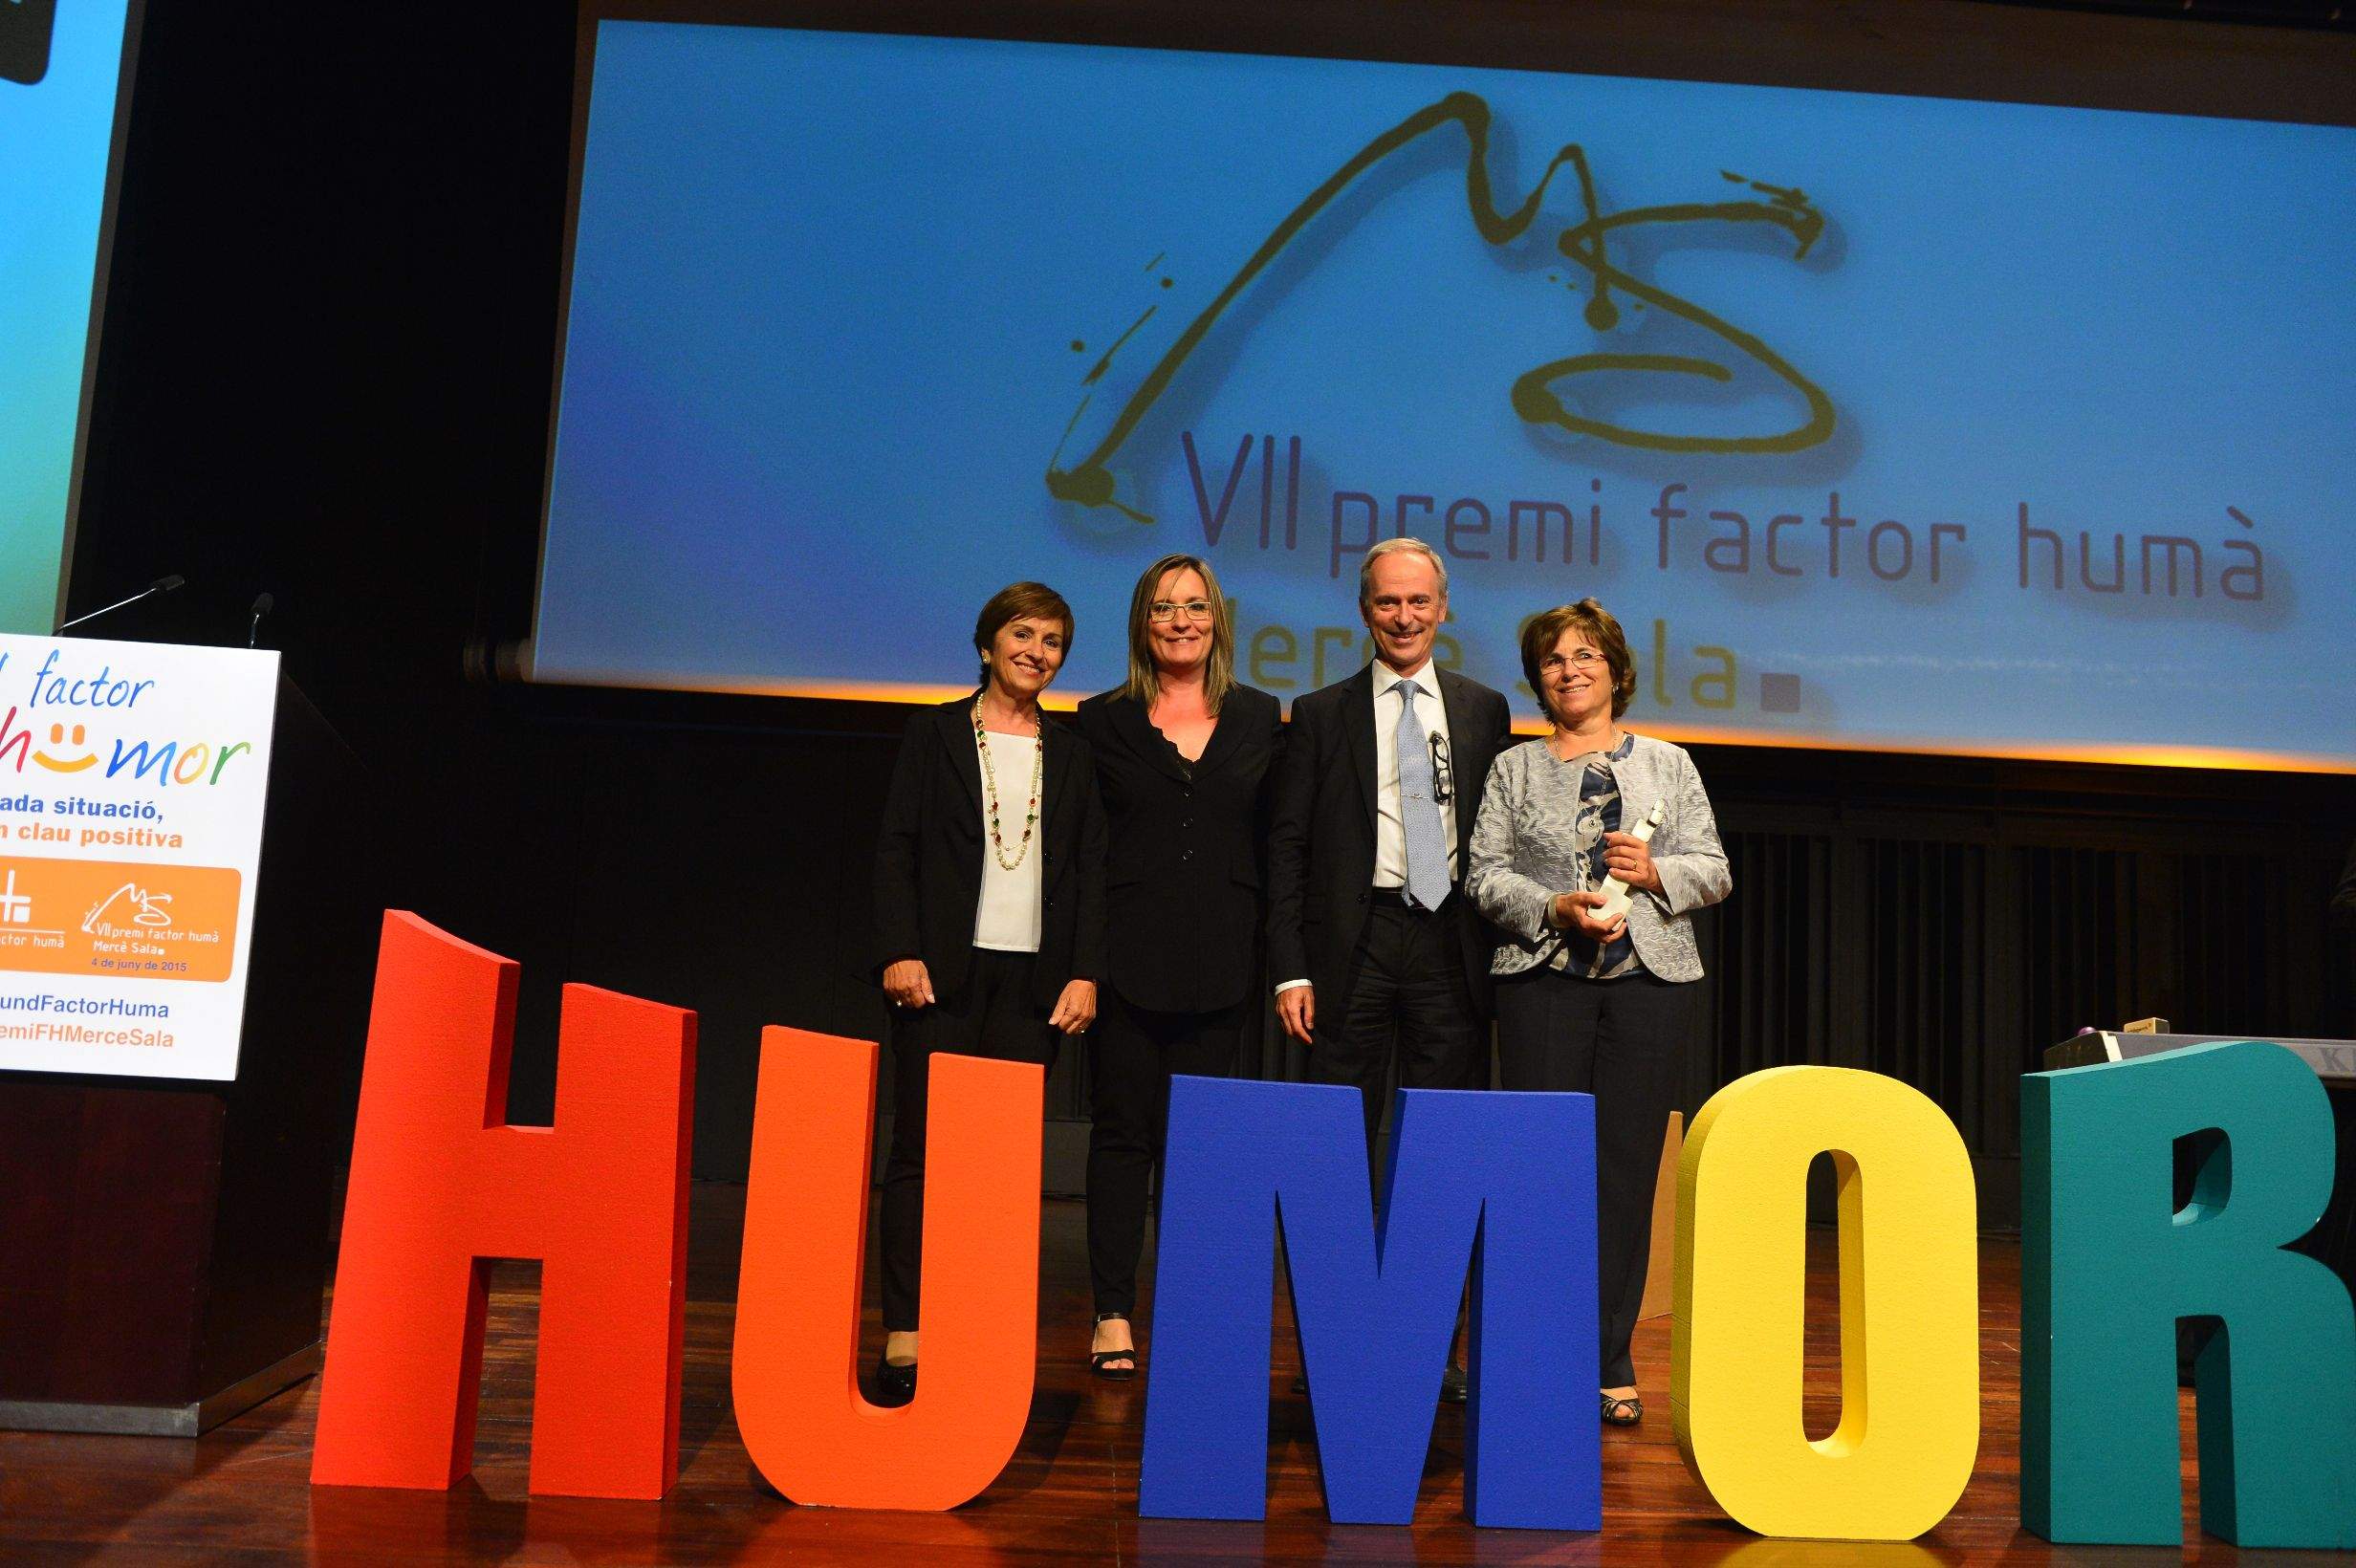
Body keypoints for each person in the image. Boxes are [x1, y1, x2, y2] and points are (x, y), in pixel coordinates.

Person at [1466, 598, 1729, 1428]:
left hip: (1649, 987)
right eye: (1552, 660)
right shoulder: (1513, 769)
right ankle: (1528, 1346)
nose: (1570, 670)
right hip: (1543, 984)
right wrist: (1553, 907)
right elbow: (1484, 876)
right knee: (1539, 1172)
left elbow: (1714, 870)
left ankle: (1610, 1354)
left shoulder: (1670, 763)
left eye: (1585, 656)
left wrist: (1654, 875)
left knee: (1623, 1175)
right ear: (1537, 679)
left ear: (1616, 669)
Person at [1266, 538, 1511, 1400]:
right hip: (1352, 945)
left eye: (1418, 602)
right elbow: (1288, 846)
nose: (1403, 618)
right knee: (1337, 1143)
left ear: (1444, 608)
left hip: (1451, 945)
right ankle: (1338, 1332)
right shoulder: (1322, 712)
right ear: (1363, 611)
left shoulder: (1485, 708)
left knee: (1439, 1148)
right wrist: (1290, 968)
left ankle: (1430, 1337)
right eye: (1386, 603)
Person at [870, 581, 1105, 1405]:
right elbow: (896, 847)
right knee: (921, 1157)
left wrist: (1085, 970)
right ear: (986, 644)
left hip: (1032, 985)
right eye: (1023, 633)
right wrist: (899, 949)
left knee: (1001, 1169)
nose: (1036, 651)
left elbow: (1086, 872)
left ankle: (979, 1326)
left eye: (1053, 642)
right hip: (940, 977)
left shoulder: (1071, 753)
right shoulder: (933, 732)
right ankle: (907, 1327)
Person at [1075, 555, 1280, 1381]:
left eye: (1196, 606)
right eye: (1165, 608)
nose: (1182, 620)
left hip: (1224, 965)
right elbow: (1084, 856)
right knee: (1124, 1137)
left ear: (1218, 620)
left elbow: (1278, 846)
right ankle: (1113, 1313)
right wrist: (1083, 965)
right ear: (1142, 622)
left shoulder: (1263, 717)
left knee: (1205, 1148)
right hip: (1126, 963)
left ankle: (1192, 1309)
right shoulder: (1101, 721)